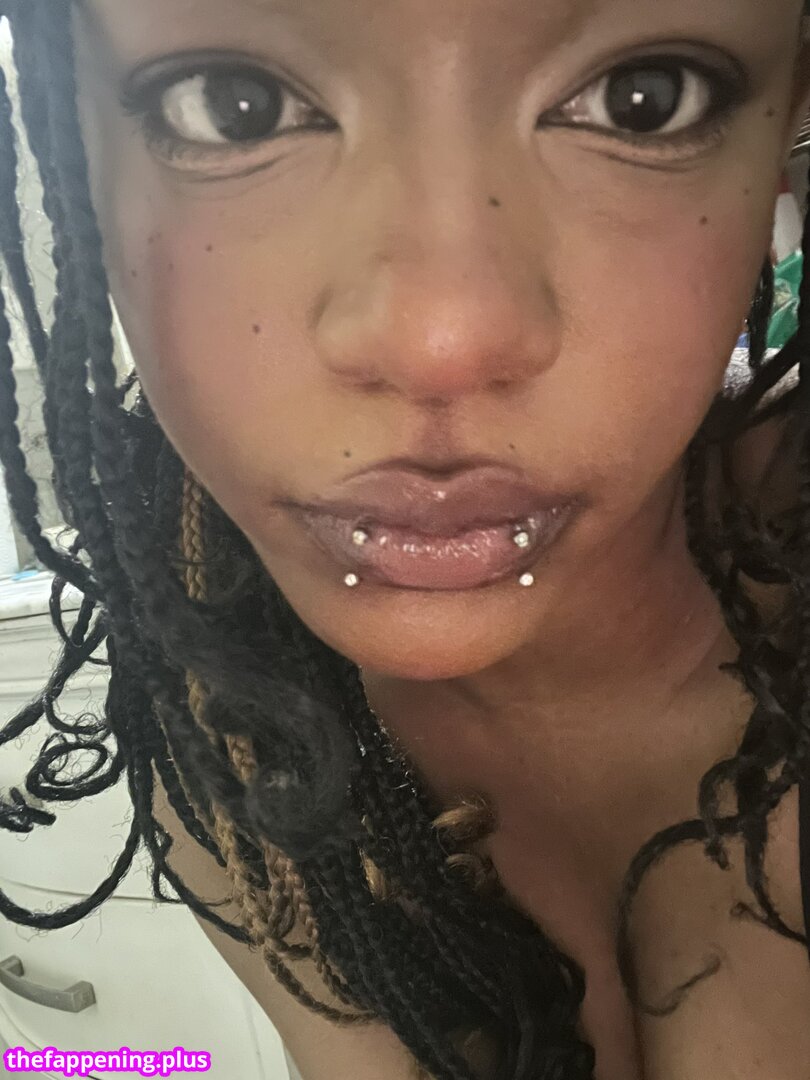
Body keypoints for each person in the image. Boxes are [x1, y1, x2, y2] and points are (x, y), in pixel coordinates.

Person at [0, 0, 809, 1077]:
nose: (441, 341)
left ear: (785, 128)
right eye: (236, 108)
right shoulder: (226, 736)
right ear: (80, 145)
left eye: (643, 99)